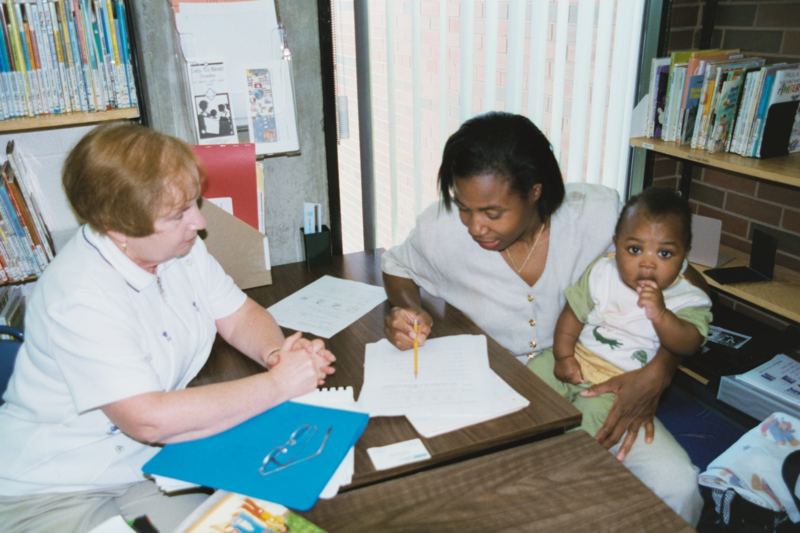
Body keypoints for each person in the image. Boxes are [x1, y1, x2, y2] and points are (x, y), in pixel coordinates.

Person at [0, 124, 336, 532]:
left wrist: (277, 355)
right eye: (178, 214)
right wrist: (280, 384)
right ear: (118, 226)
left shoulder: (181, 250)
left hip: (141, 466)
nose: (197, 221)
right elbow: (148, 418)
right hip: (51, 487)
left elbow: (240, 314)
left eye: (194, 203)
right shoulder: (79, 295)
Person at [381, 112, 707, 526]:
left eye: (493, 212)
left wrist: (660, 371)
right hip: (496, 391)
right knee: (498, 500)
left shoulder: (601, 213)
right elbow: (397, 266)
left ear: (535, 191)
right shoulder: (441, 229)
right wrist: (408, 308)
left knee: (677, 485)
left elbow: (688, 291)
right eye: (465, 208)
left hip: (603, 380)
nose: (475, 226)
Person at [529, 187, 712, 442]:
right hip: (579, 358)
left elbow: (688, 344)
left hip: (620, 384)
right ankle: (522, 433)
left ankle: (567, 456)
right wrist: (562, 356)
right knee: (536, 372)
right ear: (616, 245)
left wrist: (660, 314)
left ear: (684, 255)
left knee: (593, 420)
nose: (647, 263)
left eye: (665, 253)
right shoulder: (603, 271)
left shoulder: (687, 298)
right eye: (635, 250)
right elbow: (572, 314)